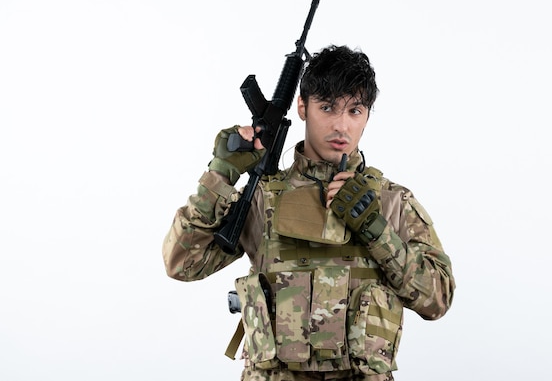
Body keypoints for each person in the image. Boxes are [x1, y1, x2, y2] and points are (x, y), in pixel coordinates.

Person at [162, 45, 455, 381]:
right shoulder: (262, 198)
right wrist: (220, 173)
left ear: (368, 115)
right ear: (303, 106)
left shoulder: (391, 202)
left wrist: (374, 228)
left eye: (355, 111)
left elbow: (437, 300)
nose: (341, 126)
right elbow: (181, 263)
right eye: (328, 107)